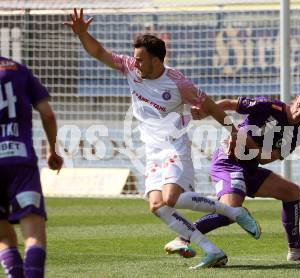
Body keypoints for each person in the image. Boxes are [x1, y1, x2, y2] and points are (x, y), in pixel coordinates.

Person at [64, 8, 261, 269]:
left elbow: (212, 107)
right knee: (157, 206)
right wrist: (82, 34)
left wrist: (234, 132)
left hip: (174, 147)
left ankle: (233, 211)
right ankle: (211, 250)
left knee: (171, 199)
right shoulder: (131, 69)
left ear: (157, 60)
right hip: (152, 151)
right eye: (134, 58)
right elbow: (100, 53)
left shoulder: (178, 83)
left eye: (141, 59)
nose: (135, 63)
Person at [166, 90, 300, 264]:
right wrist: (204, 112)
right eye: (299, 106)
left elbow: (266, 158)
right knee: (231, 212)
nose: (299, 112)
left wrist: (248, 142)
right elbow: (228, 103)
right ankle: (183, 238)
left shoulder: (296, 135)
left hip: (250, 168)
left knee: (291, 191)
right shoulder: (268, 106)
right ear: (295, 101)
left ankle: (296, 250)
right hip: (229, 162)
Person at [0, 56, 64, 278]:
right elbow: (47, 114)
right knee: (33, 236)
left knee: (4, 238)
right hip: (21, 163)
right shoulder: (17, 70)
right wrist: (53, 149)